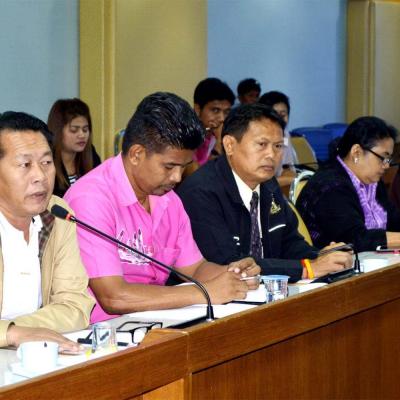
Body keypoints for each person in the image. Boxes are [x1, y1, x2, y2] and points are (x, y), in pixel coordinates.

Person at [64, 92, 260, 323]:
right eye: (169, 166)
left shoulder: (169, 200)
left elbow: (195, 269)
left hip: (155, 324)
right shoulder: (91, 199)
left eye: (183, 167)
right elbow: (113, 297)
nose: (177, 177)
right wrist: (205, 293)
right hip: (99, 332)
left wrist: (232, 275)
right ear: (137, 154)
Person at [177, 104, 352, 281]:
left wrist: (320, 257)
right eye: (262, 144)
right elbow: (231, 264)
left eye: (278, 146)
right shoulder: (200, 192)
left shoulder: (268, 184)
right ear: (230, 145)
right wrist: (306, 268)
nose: (271, 155)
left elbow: (290, 242)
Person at [0, 112, 94, 350]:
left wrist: (17, 332)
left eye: (46, 163)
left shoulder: (57, 213)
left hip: (34, 355)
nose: (40, 176)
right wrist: (10, 333)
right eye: (25, 165)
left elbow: (74, 306)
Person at [297, 116, 400, 252]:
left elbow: (394, 219)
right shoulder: (330, 186)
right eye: (383, 157)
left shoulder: (372, 182)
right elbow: (355, 239)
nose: (386, 166)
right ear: (356, 152)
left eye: (388, 159)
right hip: (328, 262)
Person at [47, 98, 101, 197]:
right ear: (58, 131)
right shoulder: (46, 162)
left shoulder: (91, 155)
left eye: (85, 129)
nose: (82, 135)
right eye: (74, 130)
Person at [184, 78, 235, 177]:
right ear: (198, 109)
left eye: (226, 112)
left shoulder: (220, 135)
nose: (222, 118)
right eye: (215, 110)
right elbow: (197, 179)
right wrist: (219, 143)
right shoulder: (185, 137)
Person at [259, 91, 297, 187]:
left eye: (283, 115)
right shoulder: (255, 138)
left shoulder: (285, 134)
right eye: (274, 115)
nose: (279, 119)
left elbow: (287, 168)